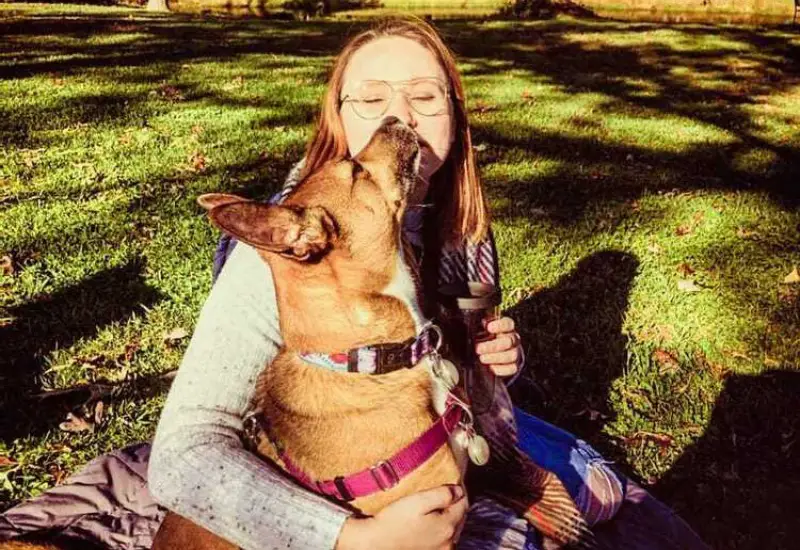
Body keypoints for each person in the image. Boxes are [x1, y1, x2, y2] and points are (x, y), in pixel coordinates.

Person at [0, 16, 708, 550]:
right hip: (313, 441)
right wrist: (347, 538)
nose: (398, 117)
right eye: (371, 99)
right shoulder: (291, 249)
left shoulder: (457, 224)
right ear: (336, 120)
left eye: (425, 96)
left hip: (423, 417)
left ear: (457, 118)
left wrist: (498, 366)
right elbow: (186, 457)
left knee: (648, 523)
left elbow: (458, 377)